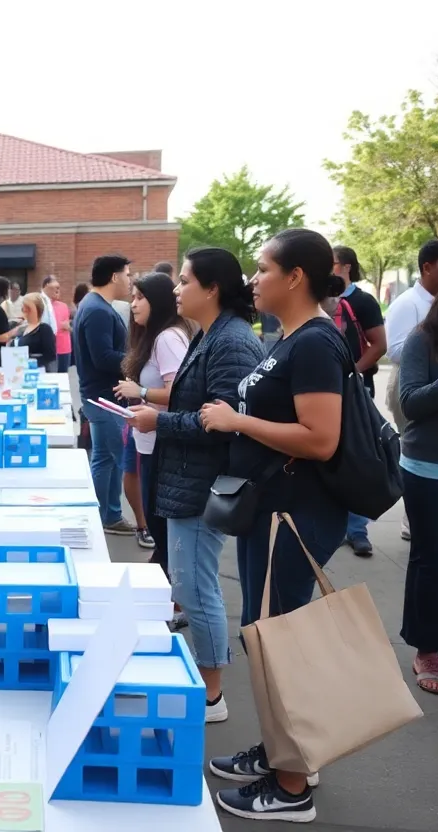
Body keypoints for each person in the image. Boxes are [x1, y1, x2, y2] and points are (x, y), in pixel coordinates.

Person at [202, 229, 346, 823]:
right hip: (274, 510)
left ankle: (292, 788)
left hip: (294, 513)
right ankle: (283, 753)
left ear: (295, 277)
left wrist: (237, 421)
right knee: (265, 636)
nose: (253, 279)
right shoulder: (292, 337)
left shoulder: (313, 343)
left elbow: (321, 438)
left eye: (262, 268)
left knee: (281, 642)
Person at [126, 252, 262, 720]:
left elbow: (222, 422)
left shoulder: (231, 341)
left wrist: (158, 420)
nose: (176, 289)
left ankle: (211, 695)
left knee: (197, 590)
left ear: (212, 288)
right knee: (190, 584)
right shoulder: (212, 333)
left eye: (184, 281)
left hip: (204, 484)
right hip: (189, 480)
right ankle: (207, 686)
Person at [115, 273, 193, 555]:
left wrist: (142, 391)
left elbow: (180, 392)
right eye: (132, 297)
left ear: (158, 301)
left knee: (160, 527)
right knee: (156, 525)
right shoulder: (154, 337)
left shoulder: (167, 338)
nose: (133, 304)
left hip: (163, 442)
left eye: (140, 298)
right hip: (151, 439)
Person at [397, 292, 438, 695]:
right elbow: (409, 401)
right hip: (428, 470)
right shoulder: (423, 339)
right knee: (431, 559)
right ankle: (427, 646)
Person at [383, 239, 438, 542]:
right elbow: (393, 349)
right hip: (410, 378)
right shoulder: (408, 304)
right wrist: (423, 348)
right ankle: (413, 521)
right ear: (427, 267)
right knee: (415, 439)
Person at [74, 254, 135, 534]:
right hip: (104, 398)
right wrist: (137, 361)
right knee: (119, 459)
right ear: (114, 276)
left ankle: (108, 515)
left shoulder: (94, 305)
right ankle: (108, 516)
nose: (130, 281)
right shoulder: (97, 309)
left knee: (104, 457)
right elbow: (103, 357)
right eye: (127, 275)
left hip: (99, 396)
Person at [331, 245, 386, 557]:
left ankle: (357, 530)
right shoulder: (319, 298)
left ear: (347, 266)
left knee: (356, 456)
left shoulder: (363, 301)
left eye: (332, 263)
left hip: (357, 391)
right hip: (326, 391)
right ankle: (335, 526)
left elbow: (379, 344)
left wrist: (352, 373)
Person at [16, 292, 57, 369]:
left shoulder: (44, 329)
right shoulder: (22, 329)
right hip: (22, 370)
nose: (23, 309)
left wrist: (29, 362)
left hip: (38, 370)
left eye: (27, 307)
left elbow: (50, 356)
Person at [44, 276, 72, 372]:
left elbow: (68, 325)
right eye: (55, 288)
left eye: (58, 289)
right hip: (51, 348)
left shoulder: (64, 306)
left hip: (65, 347)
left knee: (63, 375)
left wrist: (68, 327)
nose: (57, 290)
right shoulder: (44, 305)